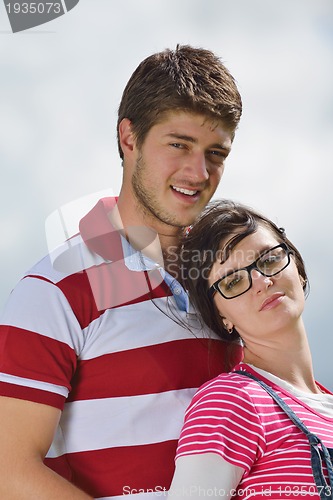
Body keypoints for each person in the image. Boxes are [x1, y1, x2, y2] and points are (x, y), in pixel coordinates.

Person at [0, 46, 242, 499]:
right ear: (128, 138)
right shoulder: (53, 289)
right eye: (179, 145)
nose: (198, 171)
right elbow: (8, 473)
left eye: (216, 153)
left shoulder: (236, 281)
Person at [168, 200, 333, 500]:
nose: (262, 281)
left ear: (297, 268)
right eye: (233, 281)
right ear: (221, 317)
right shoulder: (231, 401)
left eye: (269, 260)